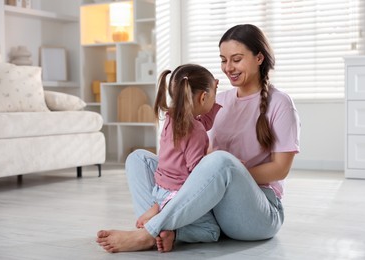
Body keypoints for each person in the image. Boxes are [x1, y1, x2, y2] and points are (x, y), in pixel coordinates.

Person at [96, 24, 300, 253]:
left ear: (259, 57)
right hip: (212, 202)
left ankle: (149, 233)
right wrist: (211, 174)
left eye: (236, 59)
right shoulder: (217, 99)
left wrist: (227, 174)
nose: (228, 68)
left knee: (221, 161)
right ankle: (169, 231)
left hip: (259, 211)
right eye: (223, 60)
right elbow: (193, 147)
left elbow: (280, 169)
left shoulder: (280, 103)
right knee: (138, 159)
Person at [135, 64, 222, 247]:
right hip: (178, 193)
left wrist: (211, 93)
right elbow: (197, 172)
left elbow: (202, 119)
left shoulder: (171, 117)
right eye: (213, 96)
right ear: (203, 97)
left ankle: (158, 208)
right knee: (212, 231)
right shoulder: (196, 130)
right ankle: (173, 231)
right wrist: (212, 158)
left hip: (160, 188)